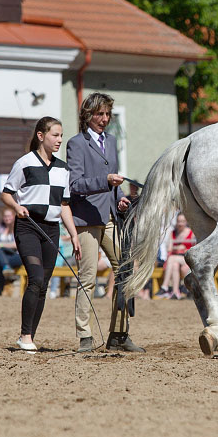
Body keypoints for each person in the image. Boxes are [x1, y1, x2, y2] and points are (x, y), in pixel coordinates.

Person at [66, 92, 140, 353]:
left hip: (109, 216)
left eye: (108, 114)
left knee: (124, 271)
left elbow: (114, 183)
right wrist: (105, 182)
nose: (105, 119)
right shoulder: (76, 144)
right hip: (86, 219)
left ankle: (119, 334)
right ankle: (85, 335)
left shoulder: (111, 141)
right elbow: (75, 184)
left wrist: (120, 197)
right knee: (87, 277)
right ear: (88, 115)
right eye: (100, 114)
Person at [1, 116, 81, 353]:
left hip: (52, 229)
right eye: (55, 135)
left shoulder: (63, 168)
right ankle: (25, 335)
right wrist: (17, 207)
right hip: (28, 227)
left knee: (43, 284)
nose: (59, 140)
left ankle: (30, 336)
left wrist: (74, 235)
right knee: (35, 277)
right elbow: (6, 193)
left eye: (61, 135)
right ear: (41, 136)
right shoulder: (24, 163)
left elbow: (64, 205)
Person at [157, 213, 195, 299]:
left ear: (186, 222)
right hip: (176, 259)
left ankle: (165, 286)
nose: (180, 223)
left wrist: (183, 249)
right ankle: (175, 292)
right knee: (174, 264)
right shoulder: (173, 233)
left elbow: (193, 249)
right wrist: (179, 247)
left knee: (172, 259)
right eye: (179, 221)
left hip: (186, 259)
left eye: (182, 221)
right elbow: (169, 249)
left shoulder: (190, 232)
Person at [0, 208, 22, 296]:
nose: (7, 218)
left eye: (9, 216)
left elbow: (16, 245)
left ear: (13, 217)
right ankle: (6, 266)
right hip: (2, 254)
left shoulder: (18, 227)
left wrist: (1, 245)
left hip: (15, 255)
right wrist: (0, 245)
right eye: (5, 216)